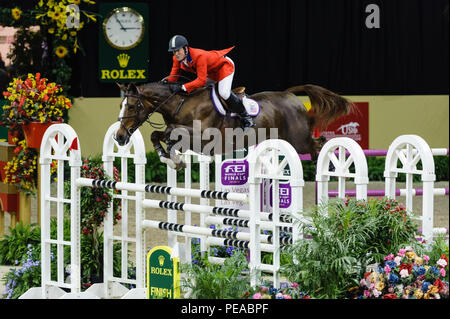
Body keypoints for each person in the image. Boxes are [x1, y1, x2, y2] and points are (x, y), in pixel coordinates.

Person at [166, 35, 255, 130]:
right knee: (199, 91)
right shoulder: (176, 59)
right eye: (174, 51)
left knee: (223, 92)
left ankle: (246, 117)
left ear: (185, 48)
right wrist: (165, 82)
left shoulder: (199, 56)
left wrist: (182, 87)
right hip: (211, 72)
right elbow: (173, 77)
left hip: (224, 67)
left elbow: (201, 80)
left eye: (178, 50)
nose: (176, 54)